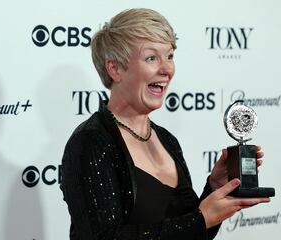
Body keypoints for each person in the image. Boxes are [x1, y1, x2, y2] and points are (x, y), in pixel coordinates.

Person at [60, 8, 270, 240]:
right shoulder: (91, 142)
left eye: (169, 56)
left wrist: (214, 187)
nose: (167, 69)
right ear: (115, 69)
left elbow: (189, 232)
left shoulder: (167, 140)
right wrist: (201, 218)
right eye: (152, 58)